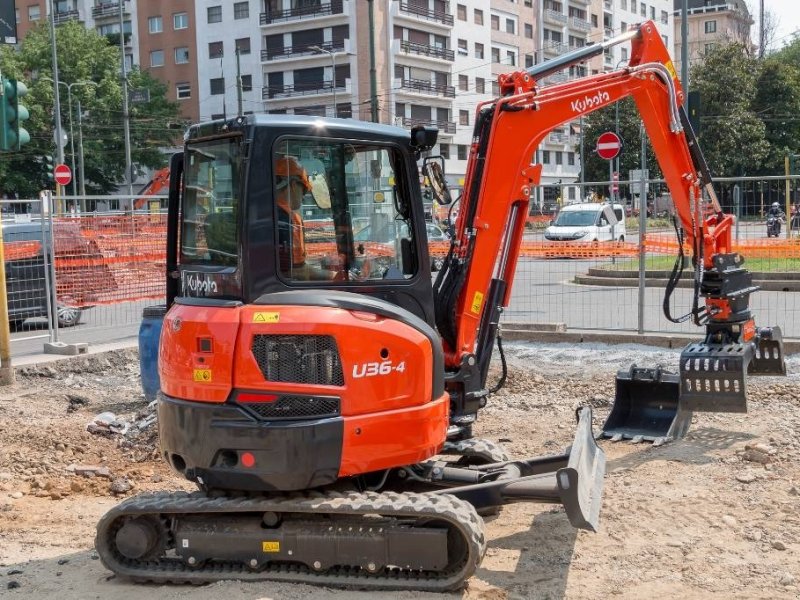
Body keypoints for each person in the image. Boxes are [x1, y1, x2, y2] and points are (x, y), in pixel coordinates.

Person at [275, 155, 337, 280]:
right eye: (303, 189)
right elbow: (298, 273)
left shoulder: (266, 212)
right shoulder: (287, 221)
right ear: (292, 184)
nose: (304, 196)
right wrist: (334, 276)